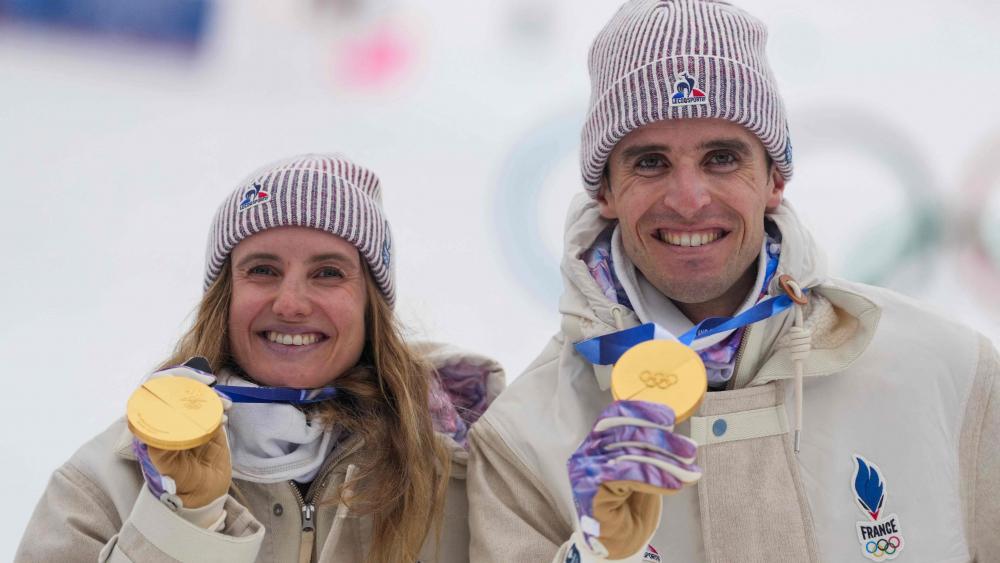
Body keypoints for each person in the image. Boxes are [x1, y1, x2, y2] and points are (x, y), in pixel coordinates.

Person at [466, 1, 999, 562]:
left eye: (722, 158)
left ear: (775, 178)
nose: (690, 200)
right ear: (604, 192)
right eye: (650, 162)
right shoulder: (522, 441)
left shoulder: (947, 374)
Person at [17, 154, 504, 563]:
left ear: (370, 306)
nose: (290, 303)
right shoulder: (104, 480)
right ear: (224, 297)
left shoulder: (461, 470)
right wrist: (183, 524)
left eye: (328, 273)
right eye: (263, 270)